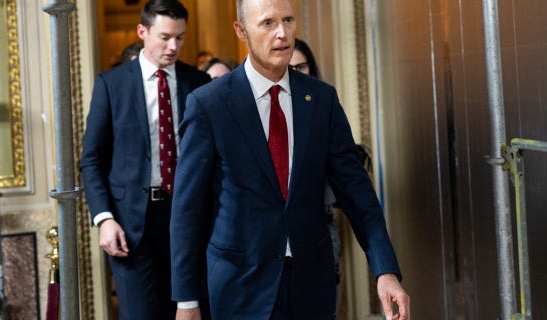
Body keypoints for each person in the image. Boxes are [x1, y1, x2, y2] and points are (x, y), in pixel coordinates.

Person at [170, 0, 410, 319]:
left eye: (288, 20)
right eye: (268, 23)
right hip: (239, 286)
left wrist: (385, 271)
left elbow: (358, 193)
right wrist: (186, 301)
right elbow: (188, 210)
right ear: (241, 30)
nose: (282, 33)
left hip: (312, 284)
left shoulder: (321, 99)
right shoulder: (209, 104)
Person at [79, 1, 211, 319]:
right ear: (142, 31)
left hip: (189, 216)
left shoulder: (200, 84)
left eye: (180, 37)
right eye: (165, 36)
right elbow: (91, 160)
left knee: (191, 312)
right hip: (131, 224)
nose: (173, 46)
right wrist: (104, 218)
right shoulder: (111, 85)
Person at [291, 37, 343, 308]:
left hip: (321, 224)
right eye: (290, 68)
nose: (296, 73)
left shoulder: (323, 103)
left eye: (302, 67)